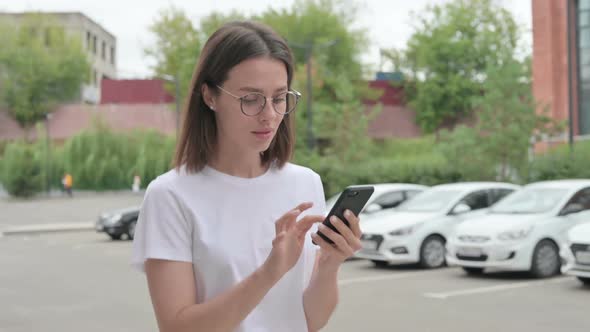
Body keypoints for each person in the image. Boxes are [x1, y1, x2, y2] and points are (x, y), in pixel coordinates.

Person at [132, 21, 363, 332]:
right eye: (250, 99)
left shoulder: (305, 183)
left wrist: (330, 264)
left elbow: (308, 321)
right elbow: (177, 327)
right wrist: (269, 272)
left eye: (279, 98)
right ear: (210, 96)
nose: (268, 114)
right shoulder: (170, 195)